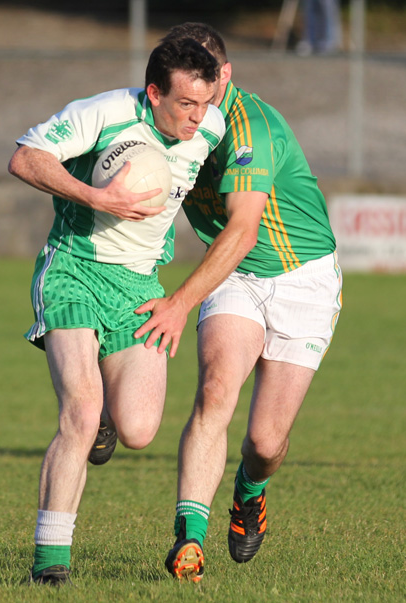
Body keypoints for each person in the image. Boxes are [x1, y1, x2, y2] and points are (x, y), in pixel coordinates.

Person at [8, 37, 225, 585]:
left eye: (206, 103)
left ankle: (106, 412)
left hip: (139, 288)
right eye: (185, 105)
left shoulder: (214, 128)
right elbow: (25, 157)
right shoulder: (102, 113)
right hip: (73, 271)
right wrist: (97, 197)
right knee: (79, 414)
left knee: (139, 428)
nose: (199, 117)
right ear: (154, 93)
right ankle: (50, 563)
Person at [133, 23, 343, 582]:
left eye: (211, 82)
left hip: (303, 279)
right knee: (215, 389)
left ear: (226, 75)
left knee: (265, 441)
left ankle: (250, 492)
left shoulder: (252, 127)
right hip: (234, 277)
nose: (198, 102)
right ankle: (189, 541)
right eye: (188, 90)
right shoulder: (163, 120)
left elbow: (242, 229)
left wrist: (178, 302)